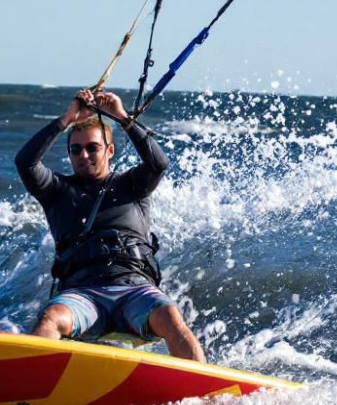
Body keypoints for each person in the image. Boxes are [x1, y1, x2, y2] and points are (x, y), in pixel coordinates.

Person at [15, 88, 205, 363]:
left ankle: (206, 396)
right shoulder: (56, 190)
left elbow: (159, 163)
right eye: (76, 149)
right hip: (81, 295)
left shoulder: (132, 185)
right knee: (51, 318)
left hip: (134, 291)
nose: (84, 155)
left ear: (109, 150)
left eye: (93, 147)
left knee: (170, 315)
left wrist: (122, 116)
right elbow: (25, 162)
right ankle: (28, 388)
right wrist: (66, 119)